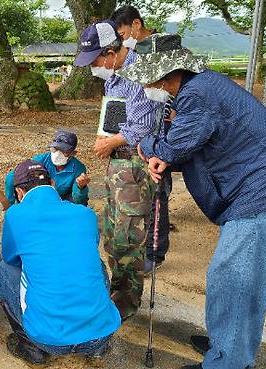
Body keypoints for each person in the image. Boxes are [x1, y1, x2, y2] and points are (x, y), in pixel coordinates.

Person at [117, 33, 266, 369]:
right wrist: (164, 152)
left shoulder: (198, 96)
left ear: (168, 74)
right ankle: (228, 346)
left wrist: (152, 149)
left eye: (147, 79)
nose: (145, 87)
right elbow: (189, 144)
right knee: (243, 279)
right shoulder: (199, 87)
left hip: (258, 193)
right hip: (258, 186)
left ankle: (226, 361)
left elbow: (177, 144)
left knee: (232, 279)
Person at [74, 20, 162, 321]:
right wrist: (108, 138)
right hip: (117, 163)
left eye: (97, 60)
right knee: (112, 232)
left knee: (128, 235)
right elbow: (117, 113)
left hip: (136, 163)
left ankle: (126, 301)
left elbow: (144, 125)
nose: (95, 67)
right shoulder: (114, 74)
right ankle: (117, 289)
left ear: (112, 52)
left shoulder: (140, 73)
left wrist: (112, 141)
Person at [0, 159, 121, 365]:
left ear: (19, 192)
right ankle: (98, 347)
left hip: (49, 339)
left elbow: (11, 259)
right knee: (95, 264)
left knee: (3, 270)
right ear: (52, 184)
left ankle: (30, 347)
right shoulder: (84, 214)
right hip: (100, 334)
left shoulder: (16, 215)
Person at [112, 5, 174, 273]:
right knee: (147, 197)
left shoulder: (163, 47)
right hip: (144, 141)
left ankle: (155, 252)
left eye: (124, 32)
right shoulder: (133, 53)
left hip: (162, 133)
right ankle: (148, 241)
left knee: (159, 195)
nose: (124, 38)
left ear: (136, 25)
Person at [4, 130, 90, 205]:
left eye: (64, 151)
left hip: (60, 203)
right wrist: (10, 206)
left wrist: (81, 187)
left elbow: (79, 202)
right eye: (55, 149)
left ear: (73, 153)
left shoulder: (78, 169)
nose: (57, 154)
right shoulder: (39, 161)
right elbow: (11, 177)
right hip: (37, 200)